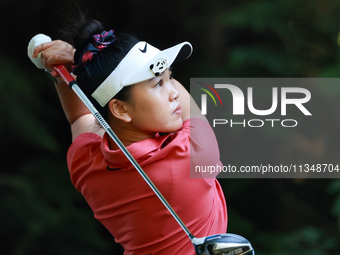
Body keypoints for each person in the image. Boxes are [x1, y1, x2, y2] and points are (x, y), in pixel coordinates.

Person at [32, 17, 227, 255]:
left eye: (169, 78)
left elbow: (79, 118)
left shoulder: (87, 162)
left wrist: (68, 71)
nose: (173, 92)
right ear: (121, 109)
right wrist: (70, 64)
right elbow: (190, 109)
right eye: (158, 84)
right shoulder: (189, 156)